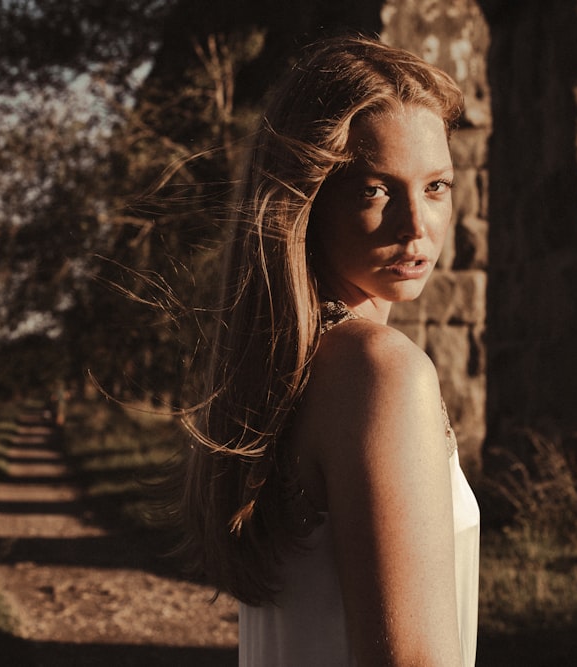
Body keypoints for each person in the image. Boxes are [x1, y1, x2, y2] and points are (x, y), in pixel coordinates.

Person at [162, 35, 479, 666]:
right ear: (306, 198)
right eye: (375, 190)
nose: (416, 224)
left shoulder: (288, 367)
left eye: (436, 186)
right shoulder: (382, 373)